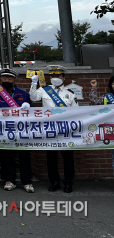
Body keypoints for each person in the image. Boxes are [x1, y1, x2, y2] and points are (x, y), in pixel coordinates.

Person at [0, 67, 34, 193]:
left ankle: (27, 182)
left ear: (14, 80)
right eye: (4, 78)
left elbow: (33, 111)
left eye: (9, 78)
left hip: (21, 130)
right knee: (7, 157)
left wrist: (28, 107)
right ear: (0, 79)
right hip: (4, 130)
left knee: (24, 157)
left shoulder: (23, 94)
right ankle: (10, 180)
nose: (7, 80)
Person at [30, 65, 77, 193]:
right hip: (49, 129)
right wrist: (34, 84)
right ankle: (54, 182)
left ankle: (68, 183)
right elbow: (33, 98)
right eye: (52, 76)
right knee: (51, 158)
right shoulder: (44, 90)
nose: (55, 78)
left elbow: (77, 112)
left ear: (63, 77)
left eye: (58, 76)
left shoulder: (70, 93)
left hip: (65, 129)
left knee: (67, 158)